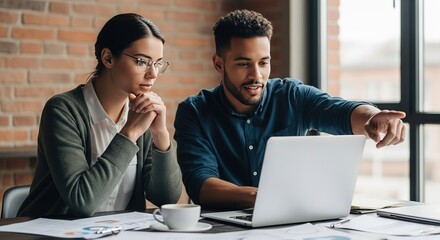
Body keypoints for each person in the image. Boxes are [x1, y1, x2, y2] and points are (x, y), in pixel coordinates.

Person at [173, 9, 406, 210]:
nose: (256, 76)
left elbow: (341, 112)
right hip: (222, 229)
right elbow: (201, 184)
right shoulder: (194, 112)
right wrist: (268, 198)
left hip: (289, 223)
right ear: (218, 64)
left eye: (263, 63)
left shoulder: (291, 96)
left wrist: (373, 117)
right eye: (244, 64)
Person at [18, 13, 182, 217]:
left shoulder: (141, 113)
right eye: (142, 61)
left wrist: (161, 136)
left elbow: (166, 198)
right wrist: (129, 133)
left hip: (119, 233)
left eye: (157, 63)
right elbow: (83, 201)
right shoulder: (62, 110)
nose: (153, 74)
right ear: (108, 58)